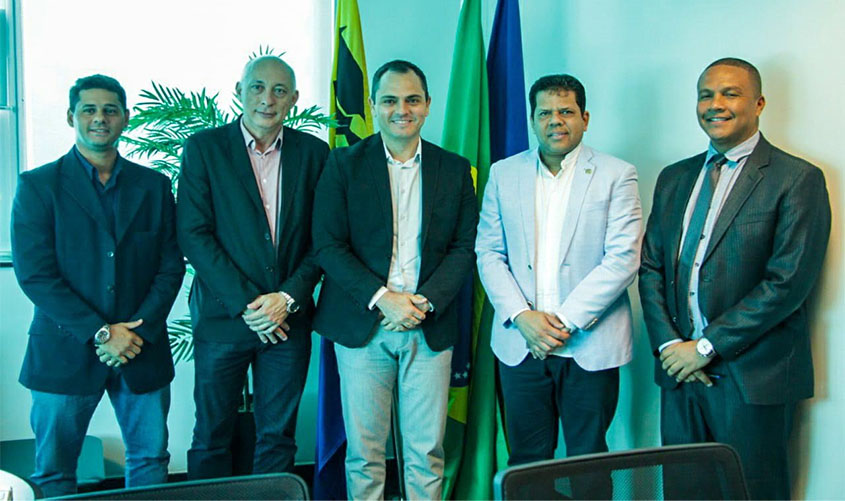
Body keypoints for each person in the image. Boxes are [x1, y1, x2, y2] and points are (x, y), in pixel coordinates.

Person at [639, 58, 831, 500]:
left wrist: (705, 347)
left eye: (730, 93)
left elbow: (787, 284)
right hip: (680, 375)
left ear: (759, 103)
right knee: (684, 494)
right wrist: (671, 347)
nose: (715, 104)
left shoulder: (796, 178)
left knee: (752, 494)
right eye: (706, 95)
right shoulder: (674, 178)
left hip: (753, 379)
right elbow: (650, 268)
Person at [10, 74, 184, 497]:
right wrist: (102, 332)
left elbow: (169, 267)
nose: (100, 118)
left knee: (150, 460)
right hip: (63, 351)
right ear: (71, 116)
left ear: (125, 117)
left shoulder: (154, 186)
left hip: (141, 349)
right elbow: (35, 274)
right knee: (54, 471)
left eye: (110, 110)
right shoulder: (38, 185)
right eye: (89, 109)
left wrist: (136, 332)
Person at [311, 59, 477, 499]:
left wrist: (423, 302)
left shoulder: (455, 169)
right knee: (364, 454)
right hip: (362, 325)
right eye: (389, 100)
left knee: (427, 451)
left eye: (412, 100)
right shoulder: (343, 165)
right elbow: (327, 244)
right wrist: (384, 298)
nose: (401, 110)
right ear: (373, 106)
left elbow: (465, 247)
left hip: (428, 324)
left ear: (427, 105)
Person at [476, 73, 642, 499]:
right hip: (520, 343)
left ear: (585, 118)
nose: (556, 120)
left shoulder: (616, 174)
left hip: (589, 342)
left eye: (566, 111)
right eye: (545, 113)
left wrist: (561, 322)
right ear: (533, 120)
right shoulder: (503, 173)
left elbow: (623, 258)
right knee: (527, 463)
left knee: (588, 459)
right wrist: (523, 317)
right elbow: (489, 252)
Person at [177, 56, 329, 478]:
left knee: (278, 436)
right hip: (224, 318)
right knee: (211, 435)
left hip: (288, 321)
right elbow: (193, 233)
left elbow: (324, 238)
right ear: (239, 91)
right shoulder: (204, 149)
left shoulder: (314, 154)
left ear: (294, 99)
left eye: (280, 90)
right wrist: (250, 304)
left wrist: (286, 298)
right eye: (258, 87)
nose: (267, 99)